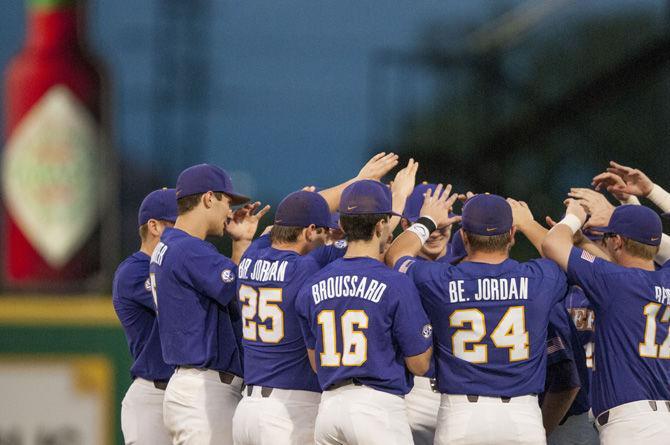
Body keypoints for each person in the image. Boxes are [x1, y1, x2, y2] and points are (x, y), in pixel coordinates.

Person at [232, 157, 417, 445]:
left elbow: (288, 218)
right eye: (320, 230)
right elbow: (369, 234)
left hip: (246, 409)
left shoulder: (252, 254)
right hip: (287, 409)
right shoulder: (304, 267)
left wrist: (355, 181)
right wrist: (400, 196)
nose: (327, 238)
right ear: (308, 231)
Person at [387, 190, 568, 445]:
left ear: (463, 236)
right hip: (521, 416)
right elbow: (563, 255)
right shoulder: (539, 277)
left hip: (462, 414)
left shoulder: (439, 279)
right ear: (512, 235)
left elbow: (396, 255)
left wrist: (426, 221)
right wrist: (528, 223)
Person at [296, 179, 433, 445]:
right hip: (377, 408)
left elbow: (316, 363)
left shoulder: (311, 285)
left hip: (329, 409)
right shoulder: (395, 282)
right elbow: (419, 364)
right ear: (382, 225)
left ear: (343, 225)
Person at [151, 164, 269, 444]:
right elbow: (244, 290)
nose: (229, 211)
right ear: (207, 198)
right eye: (226, 201)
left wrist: (241, 244)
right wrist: (267, 244)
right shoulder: (189, 249)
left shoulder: (171, 245)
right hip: (203, 390)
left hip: (193, 386)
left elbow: (228, 289)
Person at [542, 201, 670, 445]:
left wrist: (573, 217)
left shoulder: (615, 280)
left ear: (617, 241)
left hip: (632, 428)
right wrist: (648, 237)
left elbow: (552, 243)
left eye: (608, 236)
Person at [114, 188, 178, 445]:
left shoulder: (179, 266)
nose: (185, 229)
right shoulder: (134, 271)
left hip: (183, 394)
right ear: (154, 226)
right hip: (154, 395)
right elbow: (180, 306)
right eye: (176, 222)